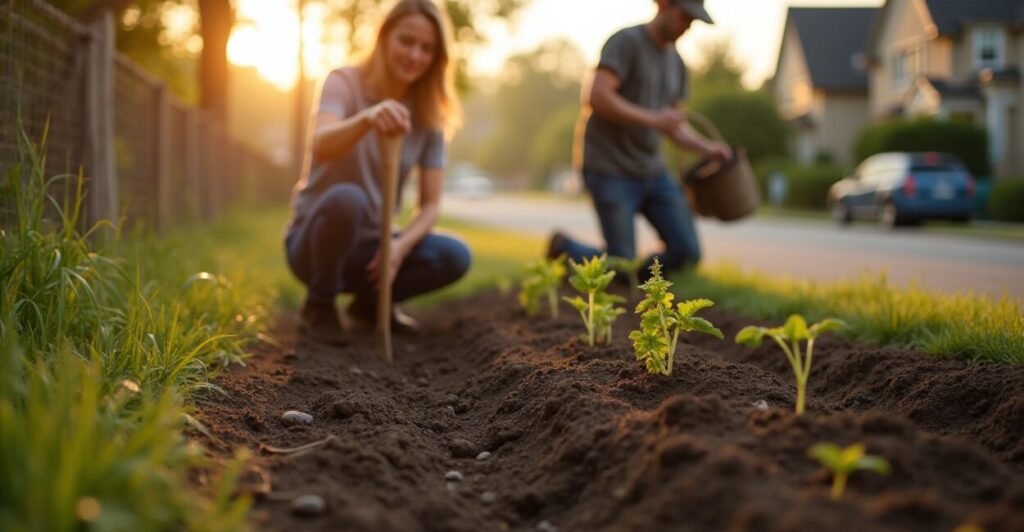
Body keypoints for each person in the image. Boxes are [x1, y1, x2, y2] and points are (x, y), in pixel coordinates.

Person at [285, 0, 471, 345]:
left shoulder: (429, 115)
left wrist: (399, 247)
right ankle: (319, 304)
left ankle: (368, 307)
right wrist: (367, 119)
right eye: (406, 41)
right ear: (384, 37)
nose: (415, 55)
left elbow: (430, 205)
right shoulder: (343, 82)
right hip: (314, 242)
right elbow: (321, 144)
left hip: (372, 249)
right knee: (349, 199)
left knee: (454, 255)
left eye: (427, 48)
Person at [547, 0, 730, 282]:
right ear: (664, 5)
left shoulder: (677, 64)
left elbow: (673, 125)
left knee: (686, 252)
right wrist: (654, 119)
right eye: (685, 17)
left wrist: (708, 149)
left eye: (693, 21)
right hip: (609, 167)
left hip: (652, 170)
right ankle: (565, 249)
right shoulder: (626, 42)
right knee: (621, 263)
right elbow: (597, 96)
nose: (687, 27)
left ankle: (632, 277)